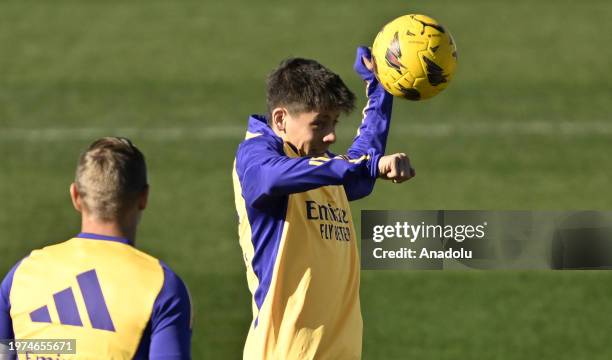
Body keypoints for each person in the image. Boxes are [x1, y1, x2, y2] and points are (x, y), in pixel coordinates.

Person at [232, 47, 415, 359]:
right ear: (280, 119)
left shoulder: (321, 169)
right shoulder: (256, 157)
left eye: (334, 123)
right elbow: (269, 179)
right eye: (320, 124)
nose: (331, 136)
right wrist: (366, 165)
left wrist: (381, 89)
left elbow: (357, 167)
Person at [0, 137, 192, 359]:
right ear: (144, 197)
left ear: (75, 196)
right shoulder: (163, 287)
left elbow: (6, 351)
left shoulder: (22, 274)